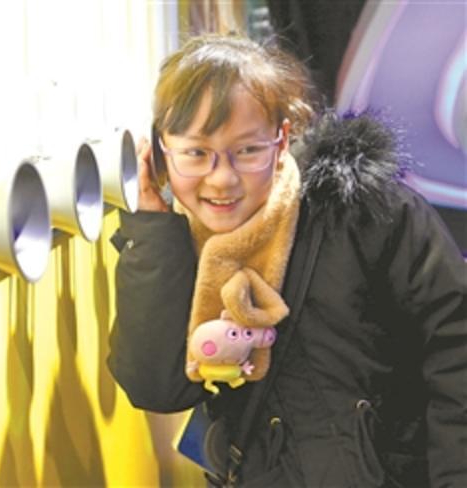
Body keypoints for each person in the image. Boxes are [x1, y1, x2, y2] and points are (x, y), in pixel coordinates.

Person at [107, 33, 466, 487]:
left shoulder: (364, 211)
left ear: (281, 139)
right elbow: (157, 388)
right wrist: (152, 231)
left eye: (248, 150)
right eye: (196, 153)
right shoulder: (176, 248)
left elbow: (455, 345)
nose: (222, 179)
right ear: (161, 153)